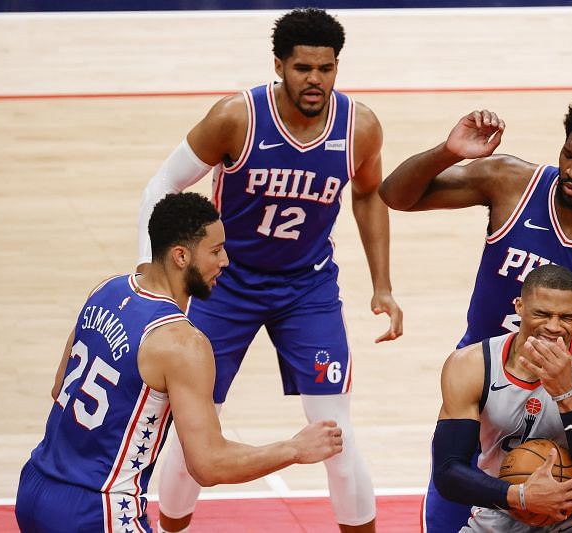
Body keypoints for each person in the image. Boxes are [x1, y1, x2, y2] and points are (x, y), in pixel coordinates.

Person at [135, 8, 401, 533]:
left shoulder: (360, 127)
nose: (315, 80)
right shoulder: (236, 117)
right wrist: (152, 277)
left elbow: (369, 195)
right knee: (193, 425)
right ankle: (168, 527)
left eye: (326, 69)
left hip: (308, 288)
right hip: (224, 285)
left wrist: (383, 285)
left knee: (332, 429)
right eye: (303, 68)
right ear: (279, 65)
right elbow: (162, 184)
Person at [379, 97, 572, 532]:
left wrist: (564, 408)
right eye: (568, 154)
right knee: (451, 497)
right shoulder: (512, 182)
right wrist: (449, 151)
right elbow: (394, 196)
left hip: (564, 396)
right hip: (487, 385)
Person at [15, 192, 343, 533]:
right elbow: (209, 464)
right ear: (181, 256)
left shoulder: (105, 290)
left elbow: (59, 388)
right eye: (215, 251)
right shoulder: (184, 343)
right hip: (99, 510)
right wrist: (294, 448)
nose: (226, 261)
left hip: (36, 487)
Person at [432, 264, 572, 532]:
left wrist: (566, 394)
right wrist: (522, 496)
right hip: (500, 511)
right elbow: (447, 472)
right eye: (542, 314)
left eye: (566, 317)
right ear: (519, 307)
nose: (554, 327)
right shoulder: (472, 364)